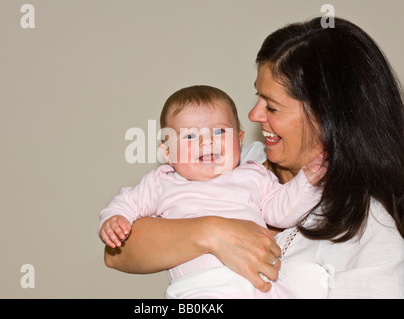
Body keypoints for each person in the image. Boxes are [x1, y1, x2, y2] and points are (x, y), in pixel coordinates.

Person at [103, 17, 404, 298]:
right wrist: (210, 232)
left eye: (271, 107)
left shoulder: (371, 234)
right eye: (257, 97)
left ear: (326, 115)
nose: (253, 115)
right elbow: (118, 252)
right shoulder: (241, 162)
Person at [99, 85, 325, 298]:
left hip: (259, 283)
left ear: (239, 140)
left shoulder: (254, 175)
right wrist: (115, 219)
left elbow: (281, 210)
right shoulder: (162, 182)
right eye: (189, 136)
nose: (206, 142)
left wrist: (308, 180)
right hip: (201, 287)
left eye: (218, 132)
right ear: (167, 153)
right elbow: (128, 202)